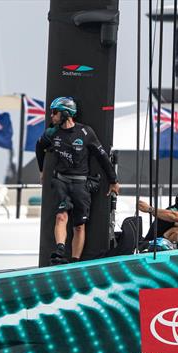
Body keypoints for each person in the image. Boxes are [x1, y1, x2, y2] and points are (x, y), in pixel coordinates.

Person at [36, 96, 119, 264]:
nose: (51, 116)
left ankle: (75, 260)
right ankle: (60, 251)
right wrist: (42, 170)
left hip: (81, 184)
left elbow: (102, 156)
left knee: (79, 226)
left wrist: (113, 180)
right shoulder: (52, 132)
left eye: (55, 112)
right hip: (61, 181)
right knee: (61, 217)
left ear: (66, 113)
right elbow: (39, 147)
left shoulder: (85, 132)